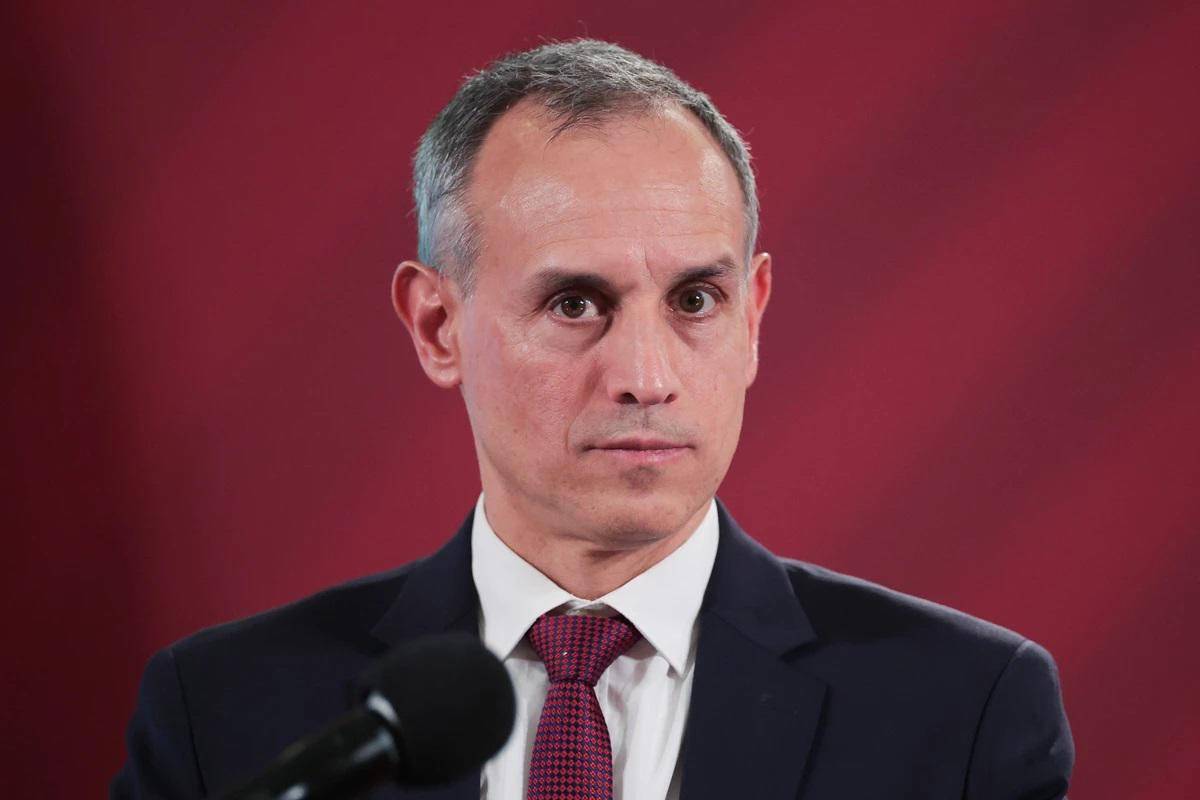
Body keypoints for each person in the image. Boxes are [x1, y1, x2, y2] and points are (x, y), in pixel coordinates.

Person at [113, 39, 1074, 799]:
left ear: (753, 318)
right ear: (438, 326)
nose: (646, 377)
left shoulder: (964, 713)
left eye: (695, 300)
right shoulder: (225, 714)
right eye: (575, 303)